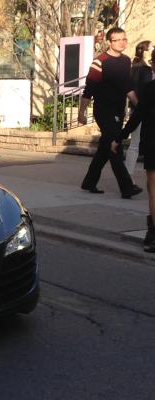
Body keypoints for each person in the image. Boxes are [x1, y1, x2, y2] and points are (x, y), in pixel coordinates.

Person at [78, 27, 142, 199]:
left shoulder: (125, 61)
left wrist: (140, 107)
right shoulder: (100, 62)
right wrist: (81, 113)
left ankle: (89, 182)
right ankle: (127, 187)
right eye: (117, 40)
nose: (121, 42)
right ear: (109, 42)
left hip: (118, 110)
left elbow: (127, 86)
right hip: (103, 111)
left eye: (124, 39)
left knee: (106, 148)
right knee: (115, 146)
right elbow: (88, 90)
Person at [112, 47, 155, 251]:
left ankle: (154, 234)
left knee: (153, 188)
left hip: (154, 142)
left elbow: (137, 116)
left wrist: (119, 137)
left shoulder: (150, 89)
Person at [125, 40, 154, 177]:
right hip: (143, 111)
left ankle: (127, 177)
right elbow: (138, 91)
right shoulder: (143, 70)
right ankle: (127, 178)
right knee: (135, 145)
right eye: (152, 47)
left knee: (134, 145)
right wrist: (140, 107)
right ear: (145, 51)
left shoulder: (138, 68)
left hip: (141, 110)